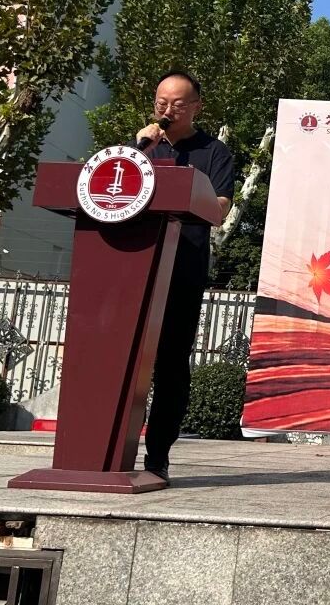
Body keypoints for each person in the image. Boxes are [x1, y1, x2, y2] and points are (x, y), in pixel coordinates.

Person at [135, 70, 234, 484]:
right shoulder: (141, 148)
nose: (168, 110)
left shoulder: (214, 152)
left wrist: (192, 192)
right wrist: (139, 149)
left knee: (171, 363)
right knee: (125, 359)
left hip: (183, 268)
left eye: (177, 104)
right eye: (161, 103)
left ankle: (158, 455)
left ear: (196, 107)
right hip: (134, 266)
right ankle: (106, 449)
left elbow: (221, 207)